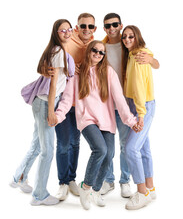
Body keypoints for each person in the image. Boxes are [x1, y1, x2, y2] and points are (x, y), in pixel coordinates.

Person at [48, 40, 140, 210]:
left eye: (101, 52)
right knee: (100, 149)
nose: (98, 54)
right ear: (89, 51)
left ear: (104, 55)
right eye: (95, 51)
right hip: (86, 119)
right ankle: (86, 187)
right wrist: (58, 116)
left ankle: (96, 190)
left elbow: (119, 99)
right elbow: (67, 100)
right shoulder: (77, 74)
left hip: (106, 119)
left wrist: (131, 121)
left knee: (109, 154)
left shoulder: (109, 72)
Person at [9, 19, 75, 206]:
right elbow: (54, 83)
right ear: (56, 32)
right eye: (63, 30)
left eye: (69, 29)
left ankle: (18, 177)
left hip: (43, 102)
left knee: (37, 146)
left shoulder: (56, 50)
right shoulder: (59, 52)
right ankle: (39, 195)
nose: (67, 32)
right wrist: (52, 112)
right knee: (47, 151)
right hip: (47, 102)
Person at [101, 13, 160, 197]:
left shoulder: (136, 51)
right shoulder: (100, 47)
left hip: (131, 104)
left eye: (115, 24)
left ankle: (127, 181)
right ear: (104, 28)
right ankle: (109, 180)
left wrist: (151, 60)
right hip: (109, 103)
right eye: (108, 25)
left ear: (120, 25)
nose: (112, 28)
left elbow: (153, 65)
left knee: (128, 146)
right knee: (109, 145)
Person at [52, 13, 97, 200]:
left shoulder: (96, 46)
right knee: (63, 144)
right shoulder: (66, 42)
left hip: (82, 105)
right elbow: (52, 60)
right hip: (63, 101)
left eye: (90, 26)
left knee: (75, 143)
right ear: (76, 28)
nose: (86, 29)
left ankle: (71, 179)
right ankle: (62, 182)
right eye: (82, 26)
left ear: (94, 29)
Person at [121, 25, 156, 210]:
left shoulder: (139, 55)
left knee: (130, 148)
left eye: (131, 36)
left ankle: (142, 193)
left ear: (137, 37)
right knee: (143, 148)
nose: (127, 39)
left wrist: (140, 114)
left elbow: (140, 87)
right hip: (137, 104)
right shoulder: (135, 53)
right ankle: (150, 188)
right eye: (125, 37)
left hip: (141, 105)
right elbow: (155, 62)